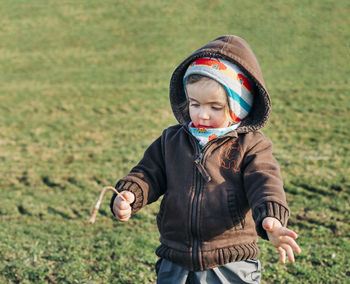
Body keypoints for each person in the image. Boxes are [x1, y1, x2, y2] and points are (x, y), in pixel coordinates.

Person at [110, 35, 301, 283]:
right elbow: (148, 173)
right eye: (195, 103)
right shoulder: (172, 140)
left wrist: (270, 218)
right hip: (175, 258)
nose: (203, 114)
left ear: (238, 107)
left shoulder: (251, 145)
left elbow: (265, 183)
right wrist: (130, 194)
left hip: (231, 261)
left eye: (215, 106)